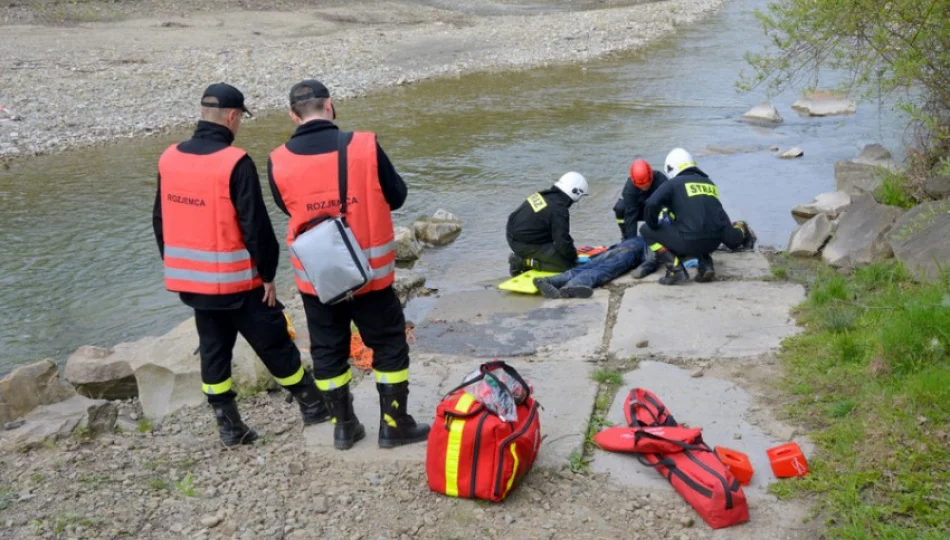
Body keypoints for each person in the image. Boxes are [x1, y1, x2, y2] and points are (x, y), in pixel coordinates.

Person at [153, 83, 329, 447]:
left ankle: (229, 426)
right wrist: (268, 275)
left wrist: (176, 267)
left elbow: (159, 220)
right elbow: (256, 226)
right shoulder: (234, 162)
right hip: (238, 283)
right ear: (233, 117)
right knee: (274, 341)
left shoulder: (169, 158)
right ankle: (313, 405)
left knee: (214, 351)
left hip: (194, 285)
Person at [267, 79, 429, 451]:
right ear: (331, 106)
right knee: (388, 343)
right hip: (370, 276)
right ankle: (394, 425)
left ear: (293, 115)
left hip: (318, 280)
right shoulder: (364, 145)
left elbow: (284, 207)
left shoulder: (278, 159)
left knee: (326, 350)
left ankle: (344, 427)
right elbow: (398, 196)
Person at [638, 148, 756, 285]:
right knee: (700, 224)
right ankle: (706, 264)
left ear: (671, 168)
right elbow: (717, 215)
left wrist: (653, 226)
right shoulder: (709, 183)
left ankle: (674, 269)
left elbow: (651, 203)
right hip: (713, 242)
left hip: (688, 242)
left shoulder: (673, 184)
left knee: (645, 230)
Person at [506, 172, 589, 276]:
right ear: (575, 192)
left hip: (512, 235)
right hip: (524, 244)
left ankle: (529, 257)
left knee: (559, 252)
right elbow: (562, 242)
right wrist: (574, 258)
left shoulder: (545, 195)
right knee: (567, 266)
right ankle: (522, 262)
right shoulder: (559, 209)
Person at [533, 236, 649, 299]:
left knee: (580, 269)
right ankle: (571, 287)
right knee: (600, 271)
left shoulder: (638, 236)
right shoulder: (652, 241)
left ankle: (548, 281)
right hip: (627, 255)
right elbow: (648, 260)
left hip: (613, 250)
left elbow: (613, 246)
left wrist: (594, 257)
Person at [612, 158, 668, 240]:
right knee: (620, 208)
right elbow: (631, 216)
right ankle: (625, 237)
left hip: (656, 211)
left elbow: (670, 203)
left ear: (651, 175)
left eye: (647, 184)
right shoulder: (629, 189)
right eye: (641, 185)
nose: (645, 187)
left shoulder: (661, 180)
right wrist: (631, 242)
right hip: (640, 211)